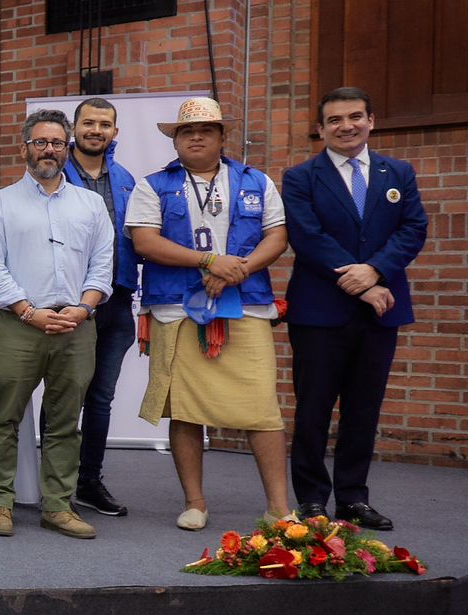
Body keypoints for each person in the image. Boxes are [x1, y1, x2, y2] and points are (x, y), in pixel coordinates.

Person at [127, 97, 292, 530]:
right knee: (185, 408)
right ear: (176, 140)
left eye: (206, 130)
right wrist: (207, 262)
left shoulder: (257, 181)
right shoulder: (151, 186)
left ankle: (279, 507)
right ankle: (195, 503)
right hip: (175, 310)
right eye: (186, 131)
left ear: (222, 136)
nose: (196, 137)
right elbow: (144, 242)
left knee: (261, 407)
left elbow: (277, 236)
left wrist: (238, 269)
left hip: (247, 306)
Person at [283, 87, 428, 530]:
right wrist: (361, 283)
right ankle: (311, 498)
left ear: (371, 120)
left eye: (355, 117)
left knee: (364, 409)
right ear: (321, 128)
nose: (346, 126)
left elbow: (413, 228)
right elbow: (306, 237)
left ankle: (352, 498)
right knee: (314, 408)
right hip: (320, 312)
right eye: (335, 120)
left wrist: (375, 272)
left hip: (380, 312)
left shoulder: (397, 172)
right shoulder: (300, 177)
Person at [0, 108, 111, 540]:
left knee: (64, 420)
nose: (48, 149)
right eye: (40, 142)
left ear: (67, 148)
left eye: (56, 142)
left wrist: (84, 308)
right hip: (18, 324)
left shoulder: (91, 204)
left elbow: (103, 264)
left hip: (76, 324)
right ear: (25, 148)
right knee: (5, 416)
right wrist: (29, 312)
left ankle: (57, 505)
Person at [60, 97, 139, 518]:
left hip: (118, 300)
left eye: (104, 124)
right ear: (74, 129)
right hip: (72, 303)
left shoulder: (127, 179)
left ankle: (89, 480)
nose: (96, 130)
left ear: (115, 132)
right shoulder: (57, 175)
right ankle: (55, 483)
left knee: (102, 398)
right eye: (88, 123)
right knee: (64, 397)